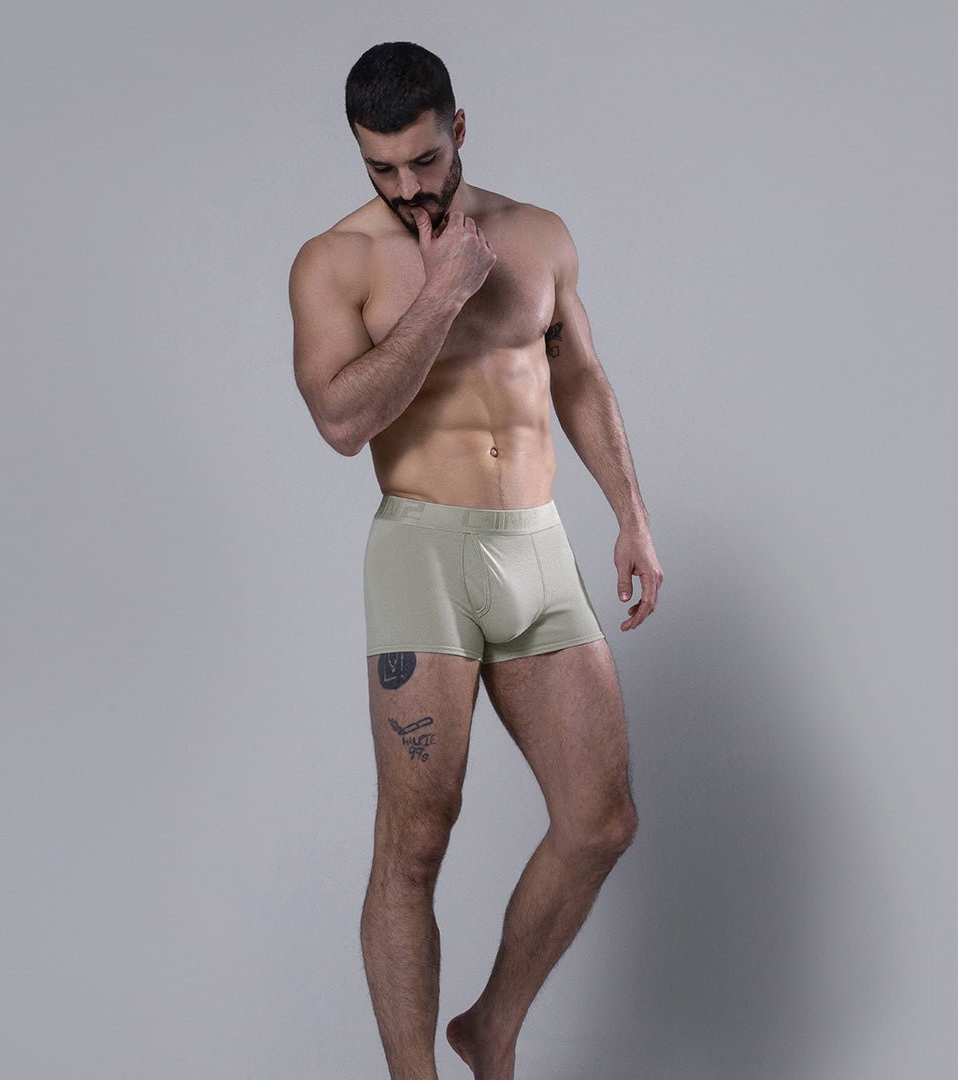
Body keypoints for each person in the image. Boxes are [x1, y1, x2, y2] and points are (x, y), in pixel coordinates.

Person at [289, 40, 664, 1080]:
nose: (407, 187)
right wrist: (444, 291)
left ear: (459, 128)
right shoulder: (336, 261)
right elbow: (342, 422)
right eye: (381, 168)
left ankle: (490, 1024)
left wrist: (630, 514)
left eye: (423, 160)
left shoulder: (538, 235)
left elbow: (578, 376)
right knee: (415, 841)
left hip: (535, 544)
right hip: (425, 552)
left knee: (599, 822)